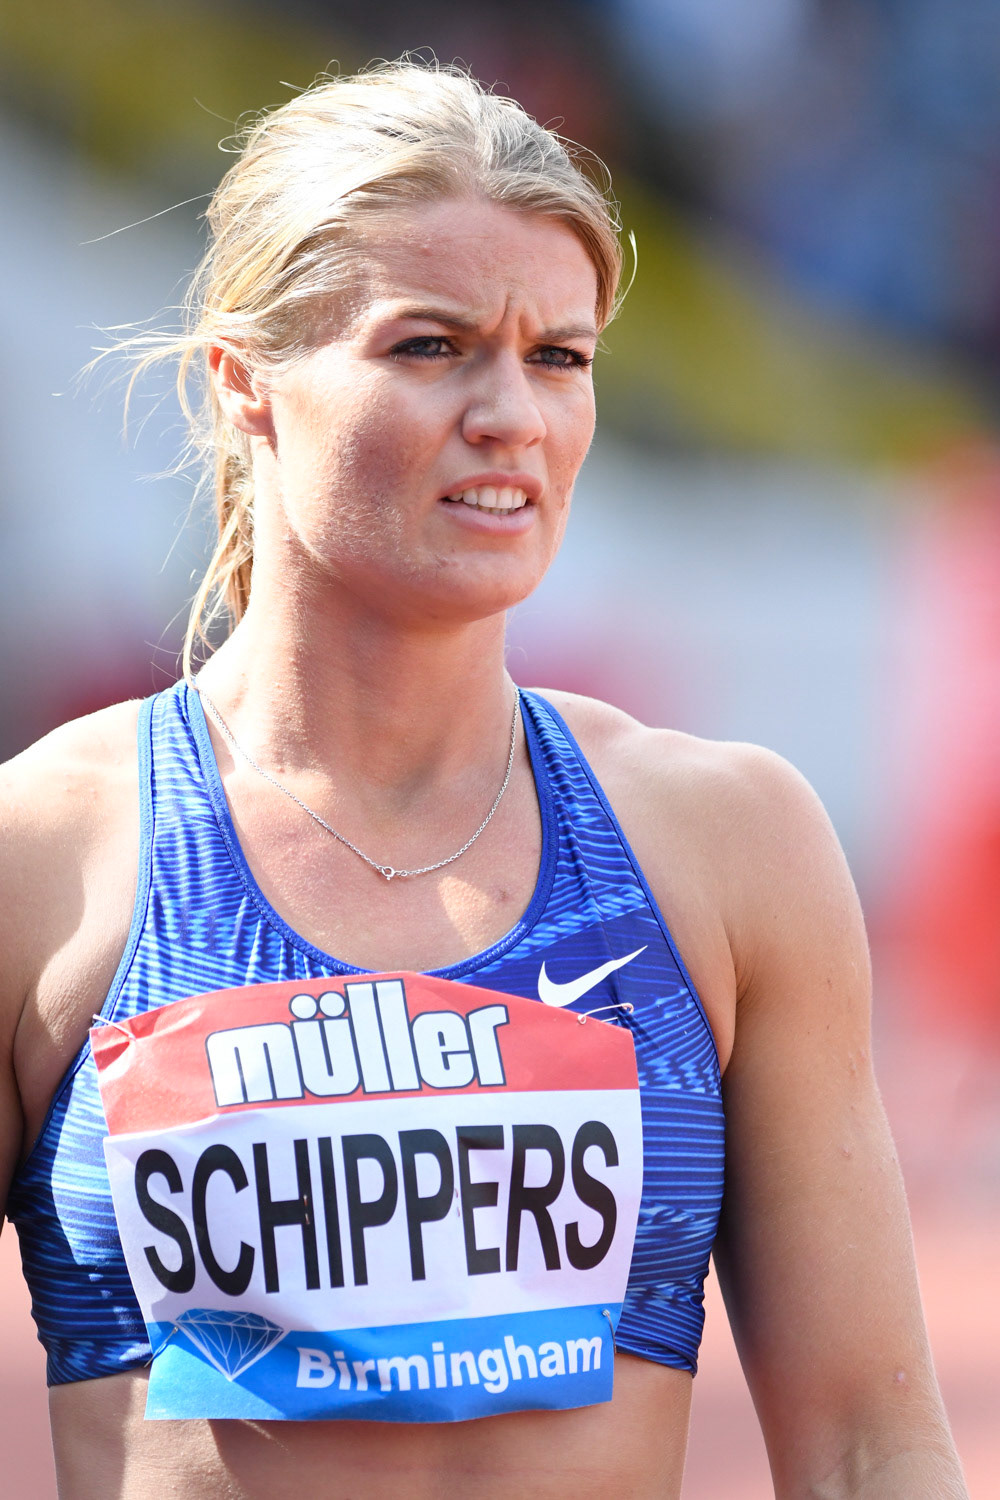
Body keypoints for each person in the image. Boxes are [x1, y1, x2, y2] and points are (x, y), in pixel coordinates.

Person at [0, 60, 967, 1500]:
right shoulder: (47, 853)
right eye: (432, 346)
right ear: (245, 383)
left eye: (559, 357)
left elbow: (870, 1450)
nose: (512, 413)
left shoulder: (727, 841)